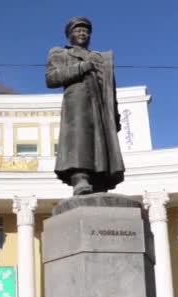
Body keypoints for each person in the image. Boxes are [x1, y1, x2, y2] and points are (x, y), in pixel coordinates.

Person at [46, 16, 124, 196]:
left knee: (101, 141)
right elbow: (51, 78)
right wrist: (82, 67)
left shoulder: (99, 57)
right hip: (78, 103)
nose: (82, 33)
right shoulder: (60, 53)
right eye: (78, 30)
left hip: (100, 105)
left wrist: (115, 113)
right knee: (80, 139)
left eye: (86, 31)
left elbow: (110, 88)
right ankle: (79, 177)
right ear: (69, 35)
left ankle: (99, 178)